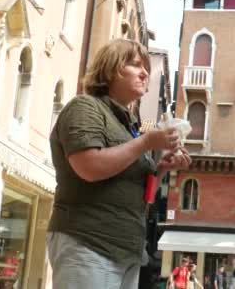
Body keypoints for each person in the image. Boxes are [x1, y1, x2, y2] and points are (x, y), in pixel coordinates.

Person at [46, 39, 192, 288]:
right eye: (136, 65)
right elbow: (89, 167)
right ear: (111, 68)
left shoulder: (130, 127)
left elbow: (143, 198)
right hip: (88, 242)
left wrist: (163, 169)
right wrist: (146, 143)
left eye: (146, 67)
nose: (145, 72)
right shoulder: (85, 107)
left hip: (127, 251)